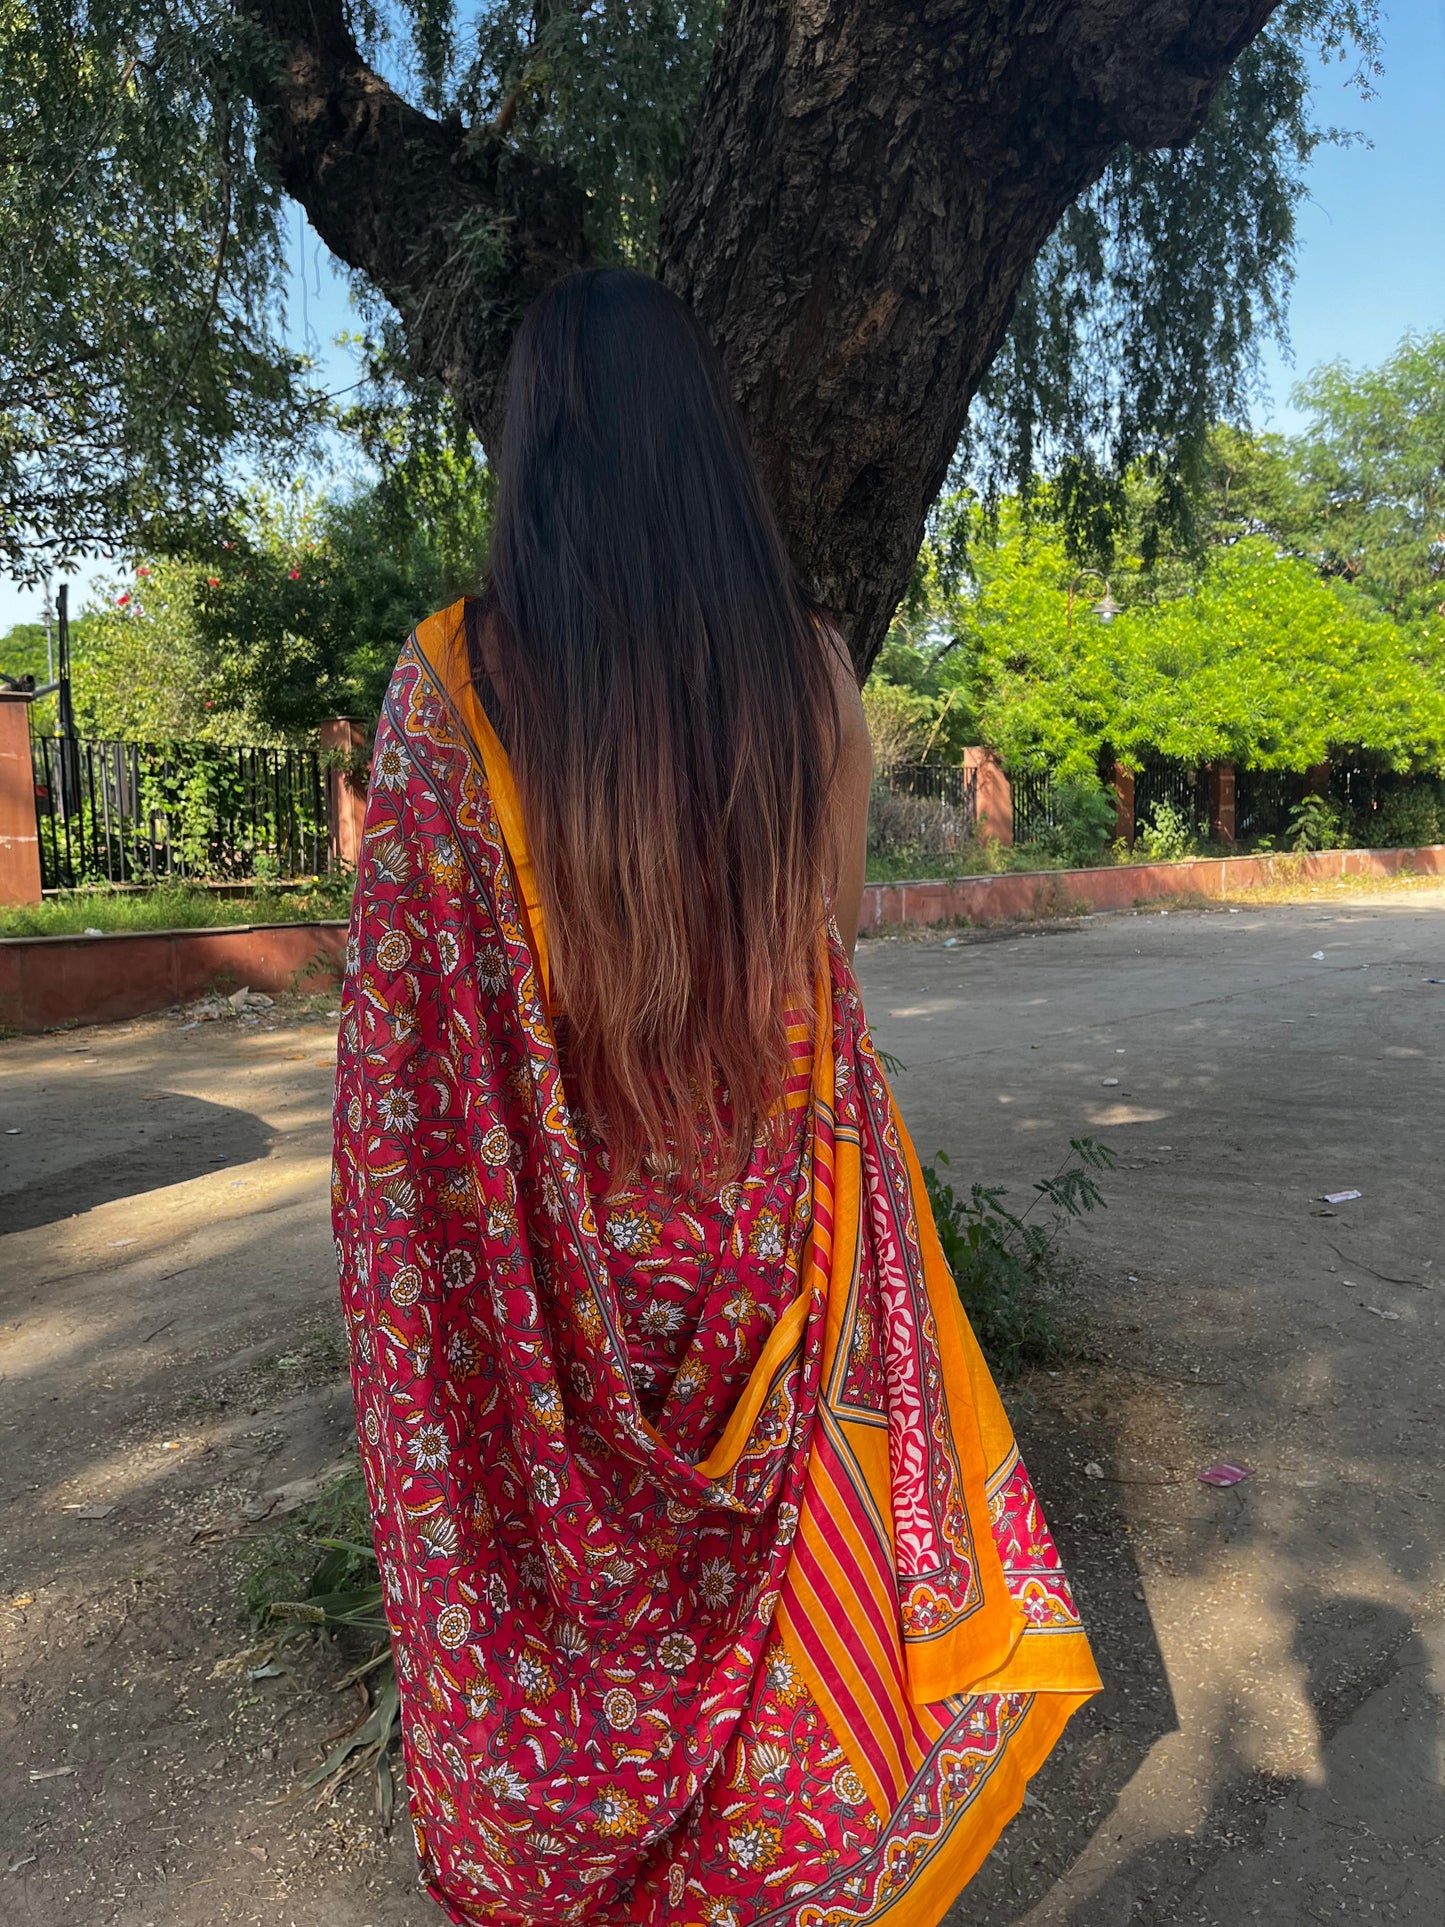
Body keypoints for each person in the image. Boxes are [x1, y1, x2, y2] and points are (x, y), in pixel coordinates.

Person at [332, 267, 1099, 1927]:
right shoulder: (811, 672)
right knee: (763, 1633)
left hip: (559, 1270)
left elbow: (406, 1065)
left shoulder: (454, 689)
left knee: (587, 1621)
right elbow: (830, 962)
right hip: (772, 1231)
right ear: (712, 450)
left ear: (534, 451)